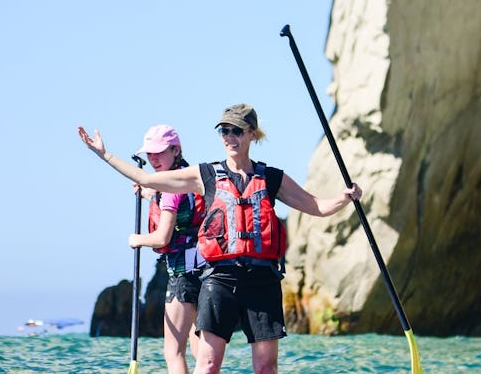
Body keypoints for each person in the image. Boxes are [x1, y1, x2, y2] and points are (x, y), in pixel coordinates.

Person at [78, 103, 362, 374]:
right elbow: (149, 179)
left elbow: (317, 207)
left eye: (236, 131)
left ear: (252, 133)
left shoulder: (272, 177)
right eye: (224, 131)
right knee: (208, 365)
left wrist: (345, 198)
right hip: (219, 280)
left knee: (266, 368)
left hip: (263, 279)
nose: (229, 137)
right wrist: (105, 155)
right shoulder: (206, 175)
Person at [128, 124, 206, 374]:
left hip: (183, 274)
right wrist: (151, 193)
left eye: (159, 152)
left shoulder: (171, 189)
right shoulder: (188, 176)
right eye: (149, 154)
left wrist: (137, 239)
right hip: (206, 270)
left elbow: (163, 237)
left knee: (173, 352)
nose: (153, 159)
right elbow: (183, 210)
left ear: (176, 150)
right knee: (200, 352)